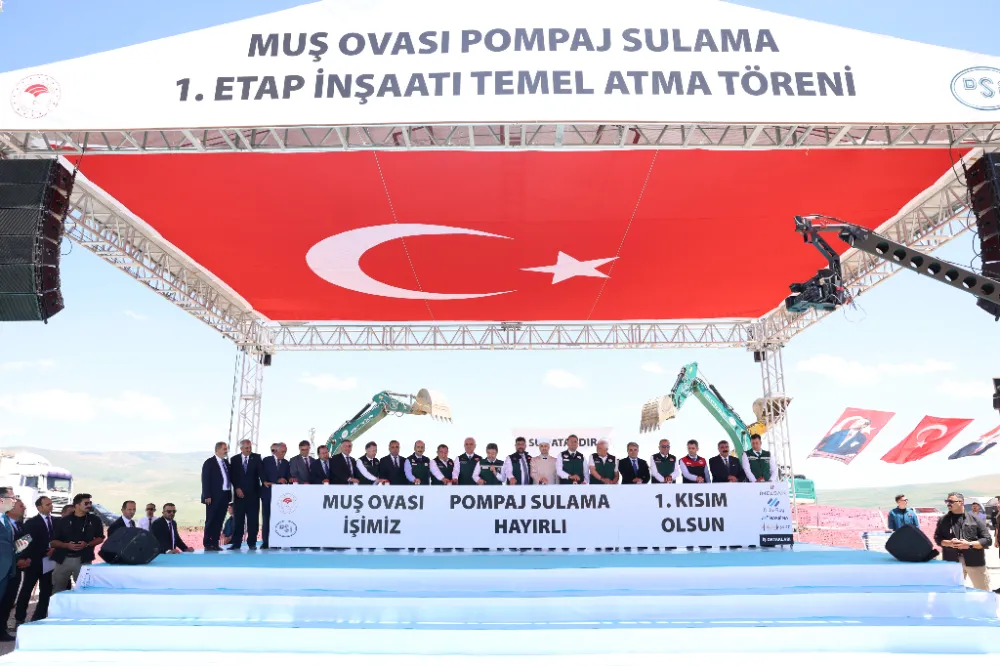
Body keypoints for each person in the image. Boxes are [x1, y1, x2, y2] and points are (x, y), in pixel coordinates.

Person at [934, 492, 993, 591]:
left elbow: (987, 540)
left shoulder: (975, 519)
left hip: (974, 560)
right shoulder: (943, 520)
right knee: (953, 592)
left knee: (983, 591)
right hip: (952, 561)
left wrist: (969, 544)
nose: (948, 504)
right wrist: (949, 543)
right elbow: (937, 538)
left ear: (961, 502)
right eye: (947, 501)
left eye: (951, 501)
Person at [51, 493, 104, 594]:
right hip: (63, 560)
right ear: (77, 505)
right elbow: (53, 542)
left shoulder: (94, 520)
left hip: (83, 560)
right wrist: (66, 545)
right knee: (58, 590)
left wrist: (87, 544)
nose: (89, 505)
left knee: (84, 591)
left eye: (90, 503)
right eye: (86, 503)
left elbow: (100, 538)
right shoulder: (64, 521)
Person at [18, 496, 54, 624]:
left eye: (51, 504)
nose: (51, 506)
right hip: (34, 562)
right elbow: (24, 543)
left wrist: (54, 549)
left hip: (50, 562)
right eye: (47, 504)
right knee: (26, 590)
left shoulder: (56, 521)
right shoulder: (31, 523)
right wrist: (24, 557)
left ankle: (39, 617)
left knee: (46, 591)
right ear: (39, 507)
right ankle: (19, 618)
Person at [0, 499, 29, 632]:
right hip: (4, 567)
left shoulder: (21, 525)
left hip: (14, 570)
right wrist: (16, 559)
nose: (24, 507)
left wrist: (25, 558)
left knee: (9, 600)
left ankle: (2, 629)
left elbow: (20, 545)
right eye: (20, 505)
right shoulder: (3, 522)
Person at [230, 439, 263, 551]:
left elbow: (261, 473)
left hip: (253, 496)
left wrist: (265, 482)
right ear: (241, 449)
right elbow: (232, 476)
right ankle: (236, 543)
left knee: (253, 521)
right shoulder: (234, 459)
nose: (249, 450)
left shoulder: (256, 458)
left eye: (250, 448)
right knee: (238, 520)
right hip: (239, 496)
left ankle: (252, 543)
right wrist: (237, 487)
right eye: (246, 448)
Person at [201, 441, 233, 552]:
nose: (226, 451)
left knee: (219, 520)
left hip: (224, 495)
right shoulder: (209, 462)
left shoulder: (226, 462)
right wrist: (207, 495)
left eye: (226, 449)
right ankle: (207, 543)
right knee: (211, 520)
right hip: (213, 497)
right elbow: (205, 479)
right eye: (224, 449)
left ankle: (215, 543)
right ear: (217, 450)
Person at [260, 443, 290, 549]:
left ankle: (277, 541)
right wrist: (269, 481)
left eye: (285, 452)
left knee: (278, 519)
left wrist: (286, 480)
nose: (284, 454)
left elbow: (288, 477)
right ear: (276, 451)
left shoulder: (286, 463)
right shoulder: (266, 460)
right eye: (282, 452)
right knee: (267, 518)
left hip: (280, 496)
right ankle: (266, 542)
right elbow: (262, 474)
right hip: (267, 493)